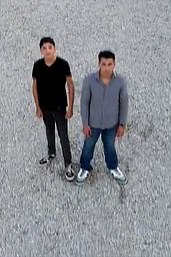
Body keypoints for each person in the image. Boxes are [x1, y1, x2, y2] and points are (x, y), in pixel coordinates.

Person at [76, 50, 129, 185]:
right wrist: (85, 124)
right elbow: (84, 103)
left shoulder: (120, 82)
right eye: (103, 64)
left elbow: (124, 103)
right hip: (93, 123)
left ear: (114, 64)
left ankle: (113, 166)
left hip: (111, 124)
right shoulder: (89, 80)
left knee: (110, 146)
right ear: (99, 64)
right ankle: (84, 167)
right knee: (88, 146)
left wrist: (122, 124)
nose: (106, 68)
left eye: (109, 64)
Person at [32, 37, 76, 182]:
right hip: (45, 108)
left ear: (54, 48)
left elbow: (70, 85)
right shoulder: (37, 65)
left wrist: (70, 108)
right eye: (44, 48)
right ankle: (51, 153)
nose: (47, 50)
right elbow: (34, 87)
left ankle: (68, 164)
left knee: (63, 135)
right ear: (41, 51)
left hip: (59, 108)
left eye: (50, 47)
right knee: (49, 131)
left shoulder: (63, 64)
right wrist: (38, 107)